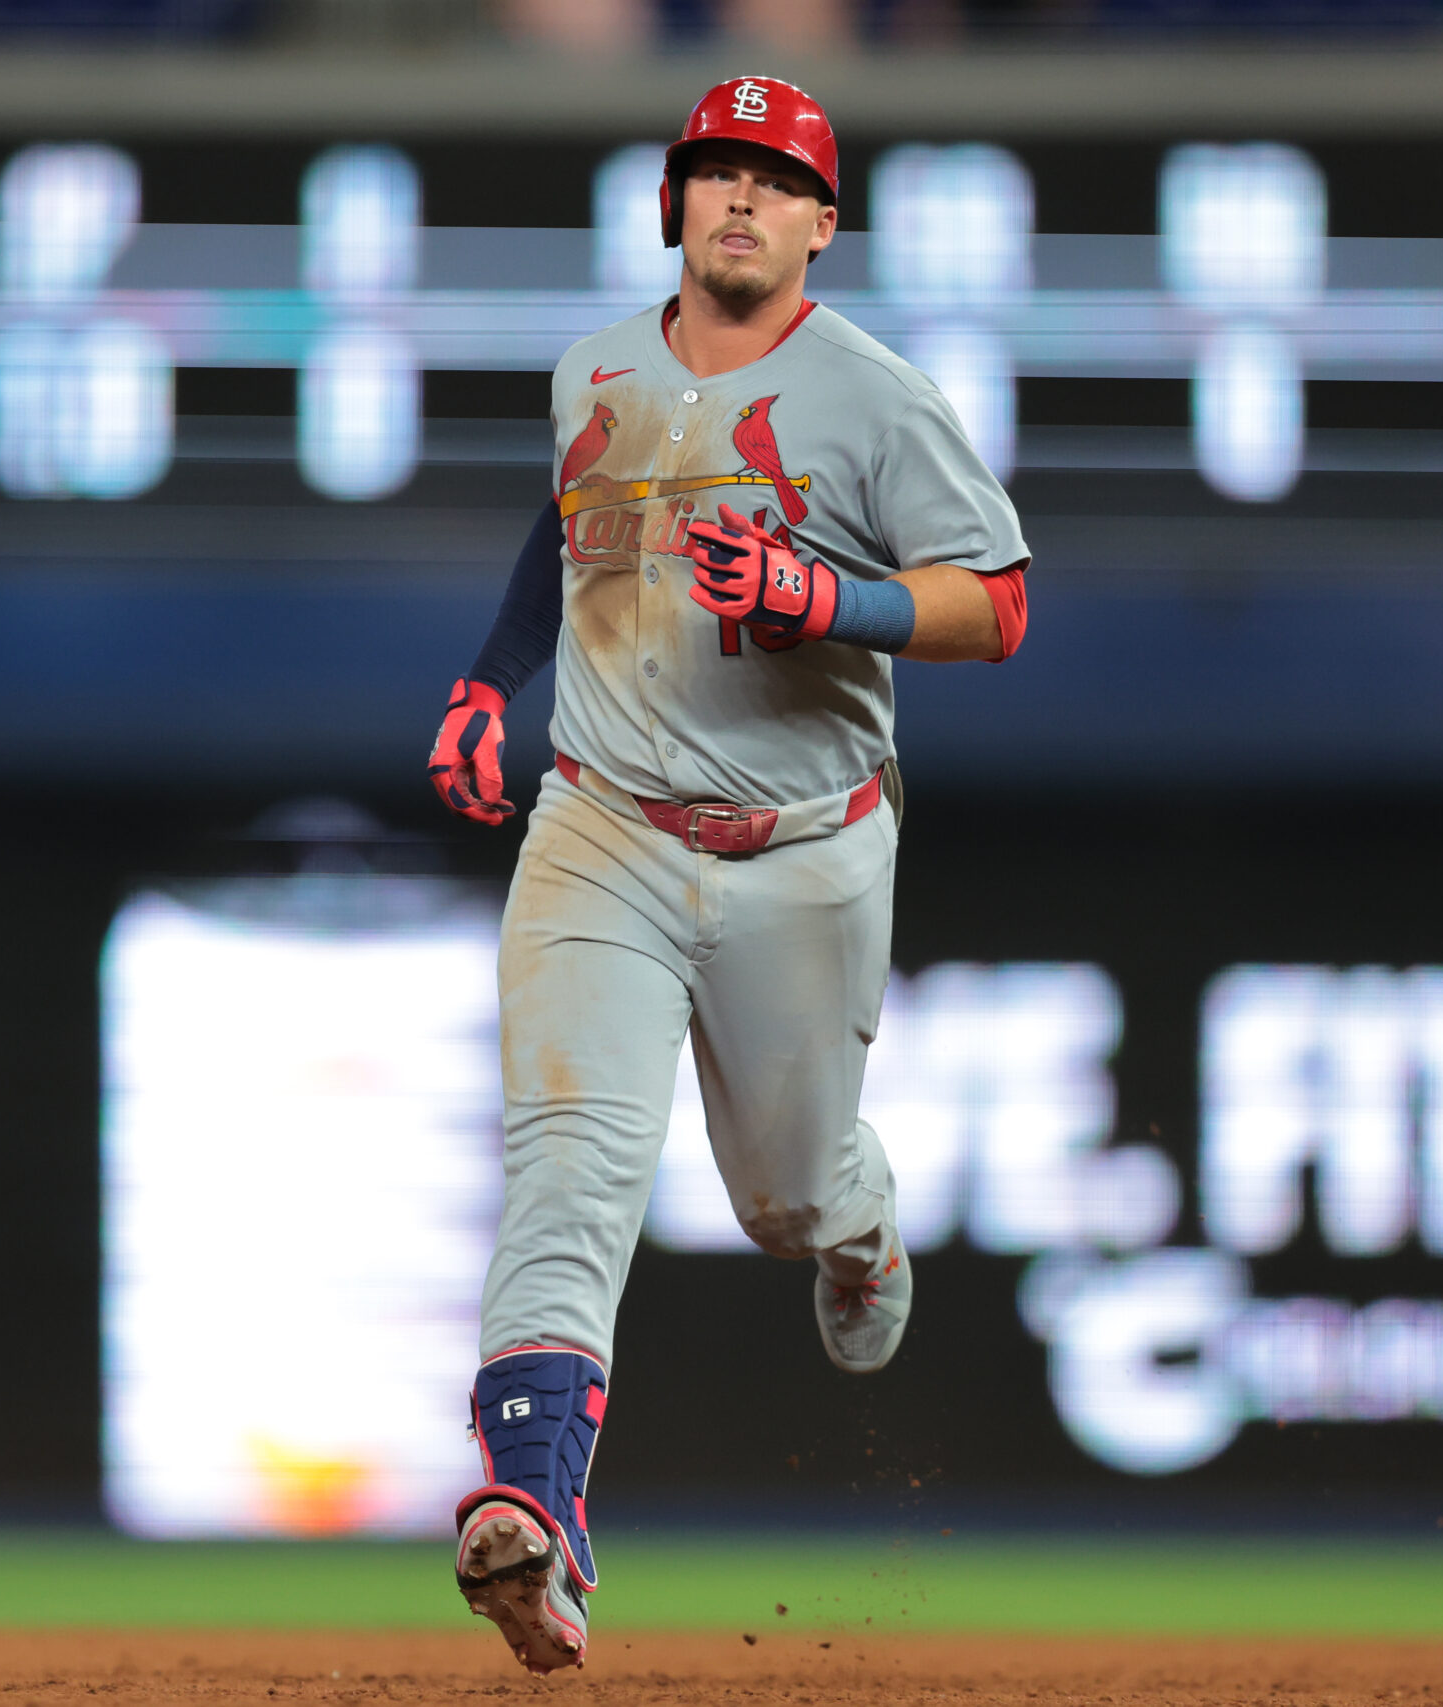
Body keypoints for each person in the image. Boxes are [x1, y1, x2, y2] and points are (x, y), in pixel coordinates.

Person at [426, 76, 1031, 1673]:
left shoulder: (875, 396)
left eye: (779, 179)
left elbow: (997, 606)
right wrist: (496, 679)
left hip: (803, 851)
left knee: (783, 1193)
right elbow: (569, 526)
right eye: (717, 171)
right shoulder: (598, 369)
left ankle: (862, 1218)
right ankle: (531, 1512)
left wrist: (829, 600)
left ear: (824, 224)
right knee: (567, 1167)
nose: (743, 198)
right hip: (602, 825)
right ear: (674, 205)